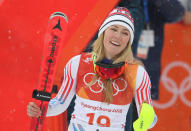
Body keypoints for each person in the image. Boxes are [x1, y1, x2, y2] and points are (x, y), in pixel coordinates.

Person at [27, 7, 157, 131]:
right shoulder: (78, 63)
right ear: (103, 31)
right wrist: (43, 109)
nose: (118, 36)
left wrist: (147, 117)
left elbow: (150, 117)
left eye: (125, 33)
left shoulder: (137, 73)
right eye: (114, 29)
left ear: (129, 40)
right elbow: (60, 103)